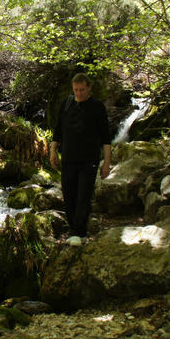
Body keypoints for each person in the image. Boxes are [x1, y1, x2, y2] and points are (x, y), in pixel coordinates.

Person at [49, 73, 112, 241]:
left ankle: (79, 233)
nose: (79, 93)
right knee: (69, 197)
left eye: (82, 90)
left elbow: (106, 137)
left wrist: (106, 163)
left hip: (89, 161)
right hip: (68, 160)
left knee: (83, 197)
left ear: (89, 87)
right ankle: (74, 231)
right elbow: (58, 130)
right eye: (76, 90)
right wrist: (53, 151)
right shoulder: (67, 104)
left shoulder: (97, 107)